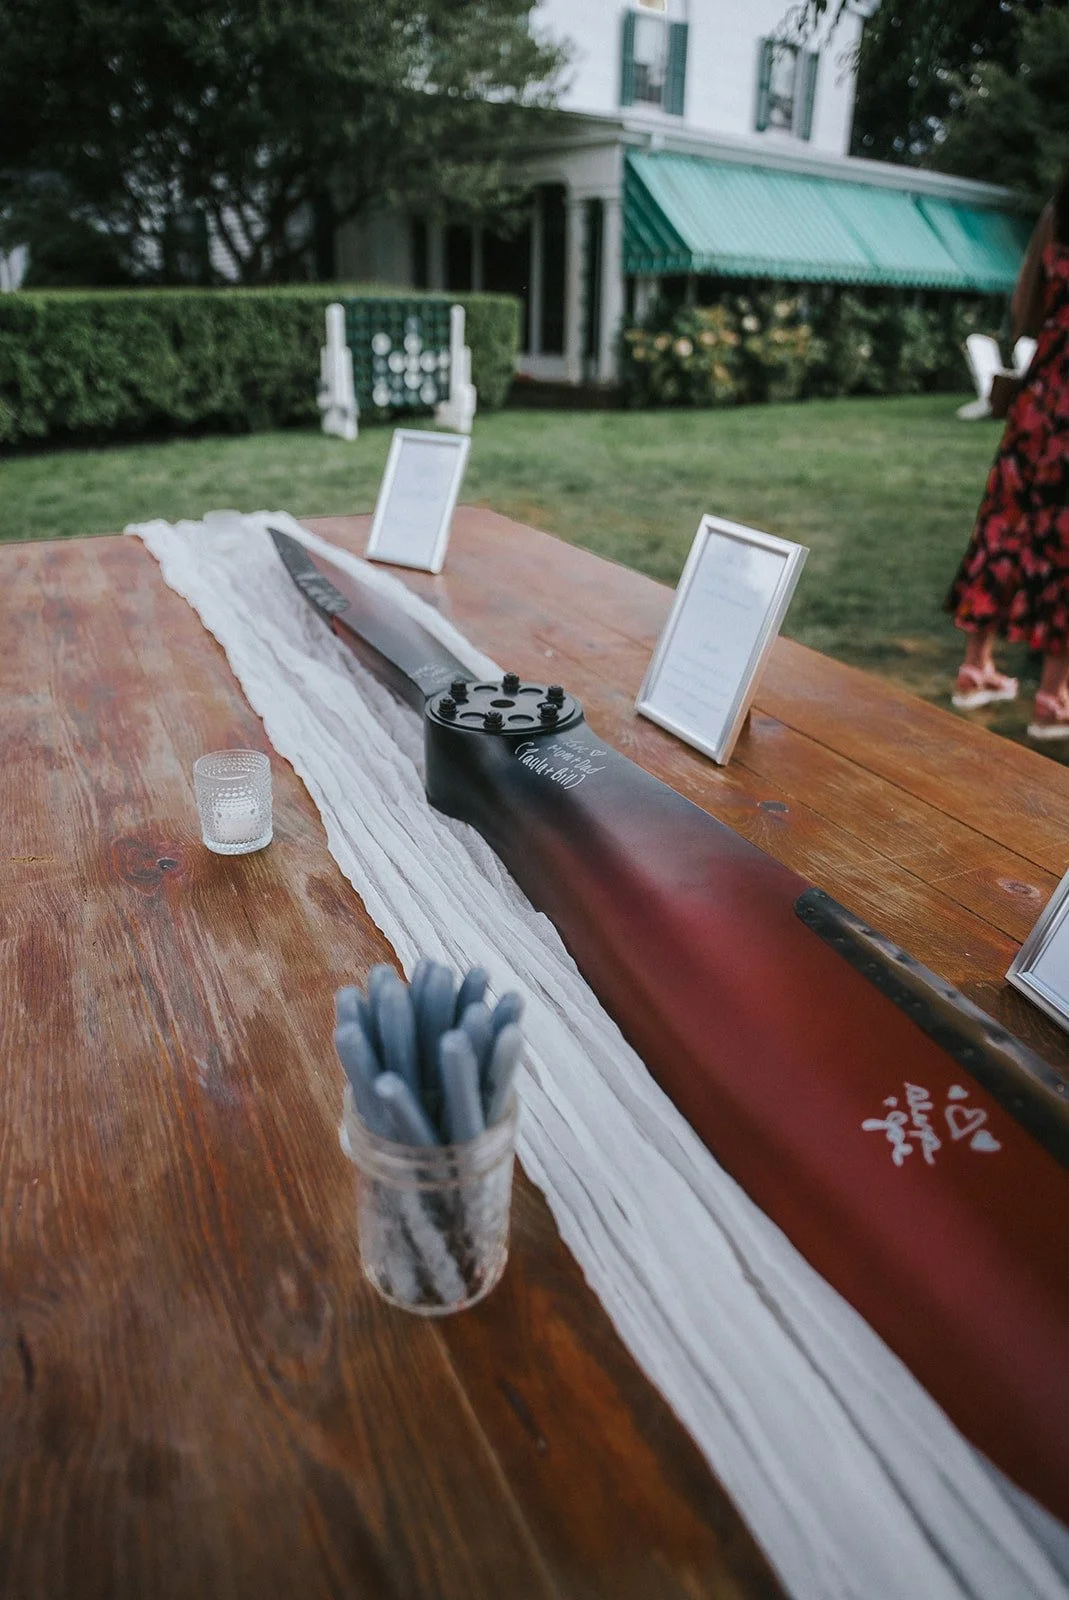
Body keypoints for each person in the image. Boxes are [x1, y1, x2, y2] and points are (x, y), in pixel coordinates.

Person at [945, 162, 1069, 739]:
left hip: (1042, 400)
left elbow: (1025, 314)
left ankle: (976, 665)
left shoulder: (1058, 214)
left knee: (1006, 525)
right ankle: (1053, 696)